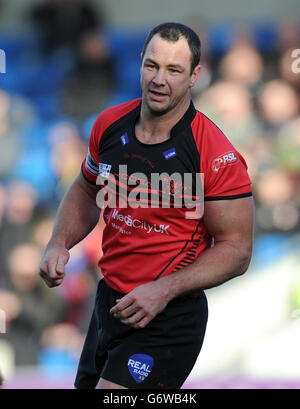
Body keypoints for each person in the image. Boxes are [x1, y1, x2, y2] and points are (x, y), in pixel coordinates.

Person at [39, 22, 254, 389]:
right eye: (152, 65)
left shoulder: (214, 153)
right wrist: (59, 242)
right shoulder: (108, 126)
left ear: (194, 76)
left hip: (169, 316)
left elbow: (237, 251)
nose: (159, 79)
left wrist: (164, 289)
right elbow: (85, 188)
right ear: (140, 62)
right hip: (109, 302)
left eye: (174, 70)